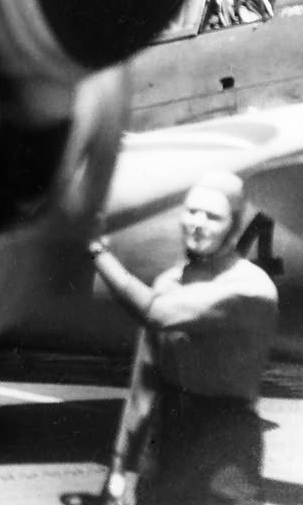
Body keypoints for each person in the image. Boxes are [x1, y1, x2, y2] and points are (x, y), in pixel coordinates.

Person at [89, 169, 279, 503]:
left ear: (234, 227)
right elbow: (144, 384)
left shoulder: (251, 288)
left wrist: (97, 252)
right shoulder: (168, 284)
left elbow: (156, 313)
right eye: (191, 212)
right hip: (168, 440)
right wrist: (119, 466)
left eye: (213, 217)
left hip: (226, 446)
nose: (198, 223)